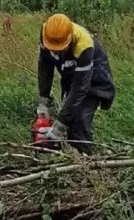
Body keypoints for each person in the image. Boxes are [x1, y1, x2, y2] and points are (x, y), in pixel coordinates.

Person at [36, 14, 116, 155]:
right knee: (69, 118)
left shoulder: (84, 45)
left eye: (58, 48)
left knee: (80, 119)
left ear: (68, 39)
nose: (54, 51)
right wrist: (43, 101)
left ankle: (85, 162)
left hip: (94, 80)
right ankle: (70, 159)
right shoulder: (45, 33)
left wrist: (59, 127)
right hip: (71, 76)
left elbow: (80, 88)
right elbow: (45, 67)